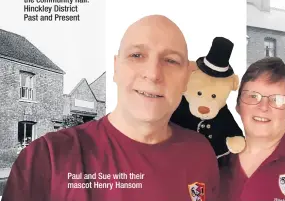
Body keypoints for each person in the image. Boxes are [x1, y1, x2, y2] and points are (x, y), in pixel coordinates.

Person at [3, 15, 219, 201]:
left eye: (171, 61)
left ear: (187, 79)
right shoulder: (45, 159)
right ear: (116, 68)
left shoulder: (201, 153)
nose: (153, 74)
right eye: (137, 55)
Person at [219, 57, 285, 201]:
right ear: (238, 106)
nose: (263, 107)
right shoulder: (216, 158)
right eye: (252, 96)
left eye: (277, 99)